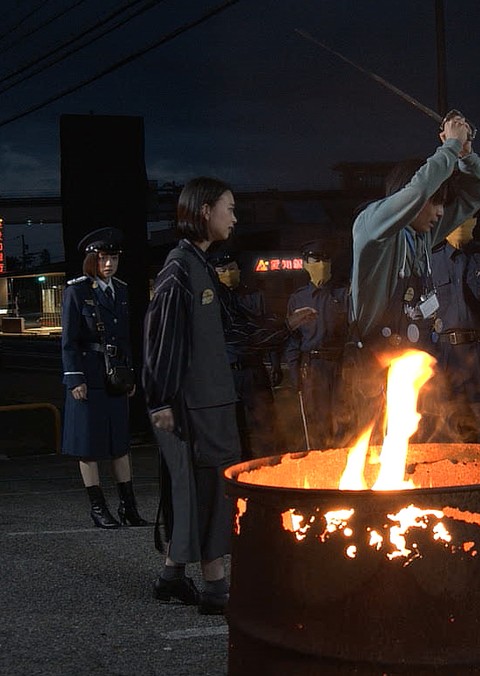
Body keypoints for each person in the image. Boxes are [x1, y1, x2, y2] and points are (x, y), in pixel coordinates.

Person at [347, 111, 480, 431]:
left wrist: (466, 155)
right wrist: (449, 146)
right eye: (435, 202)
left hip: (417, 378)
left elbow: (474, 195)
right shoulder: (372, 230)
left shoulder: (421, 238)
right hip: (374, 382)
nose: (441, 212)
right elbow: (417, 192)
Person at [143, 176, 242, 615]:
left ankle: (171, 577)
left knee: (196, 489)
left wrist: (286, 328)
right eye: (229, 208)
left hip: (211, 401)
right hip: (194, 404)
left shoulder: (199, 264)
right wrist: (161, 399)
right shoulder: (179, 267)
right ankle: (216, 587)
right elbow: (161, 337)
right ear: (205, 211)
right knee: (208, 490)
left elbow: (227, 330)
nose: (234, 218)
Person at [60, 227, 147, 529]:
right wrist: (74, 379)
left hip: (114, 376)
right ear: (91, 260)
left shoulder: (120, 290)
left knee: (119, 443)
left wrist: (130, 375)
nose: (108, 264)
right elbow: (69, 340)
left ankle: (128, 506)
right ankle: (98, 508)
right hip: (88, 374)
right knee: (89, 445)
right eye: (102, 258)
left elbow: (125, 339)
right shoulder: (78, 291)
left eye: (112, 258)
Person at [213, 250, 315, 458]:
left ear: (239, 270)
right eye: (222, 270)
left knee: (266, 425)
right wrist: (287, 325)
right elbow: (242, 334)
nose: (227, 273)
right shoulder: (215, 301)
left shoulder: (253, 296)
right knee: (234, 429)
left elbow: (263, 331)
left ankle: (270, 470)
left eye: (231, 269)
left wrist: (274, 364)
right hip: (228, 373)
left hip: (253, 368)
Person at [422, 212, 480, 442]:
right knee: (446, 424)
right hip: (444, 354)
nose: (460, 225)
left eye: (468, 218)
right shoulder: (429, 262)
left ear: (475, 221)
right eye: (455, 218)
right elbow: (418, 313)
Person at [285, 240, 349, 449]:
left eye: (325, 259)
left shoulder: (343, 294)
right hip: (313, 367)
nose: (321, 264)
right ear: (305, 264)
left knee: (343, 419)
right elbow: (293, 339)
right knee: (317, 422)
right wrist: (295, 374)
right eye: (316, 260)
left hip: (339, 366)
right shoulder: (298, 299)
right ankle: (319, 466)